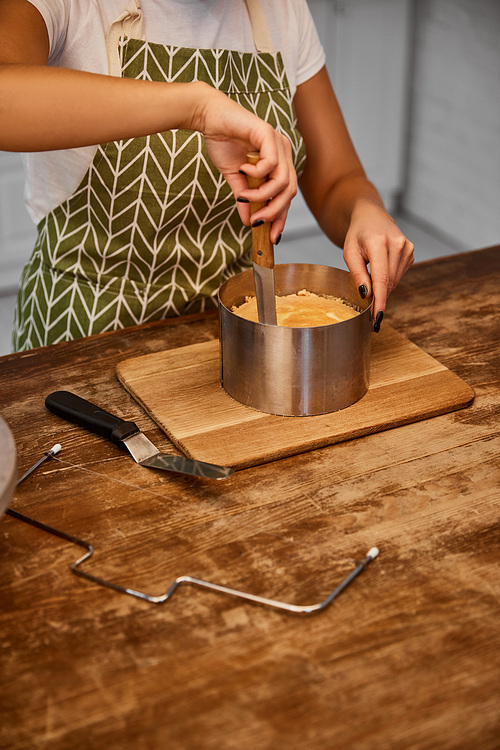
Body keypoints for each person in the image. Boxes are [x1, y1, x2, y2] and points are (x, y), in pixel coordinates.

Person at [0, 0, 414, 351]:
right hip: (83, 336)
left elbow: (337, 180)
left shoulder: (280, 10)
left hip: (228, 331)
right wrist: (195, 107)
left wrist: (366, 210)